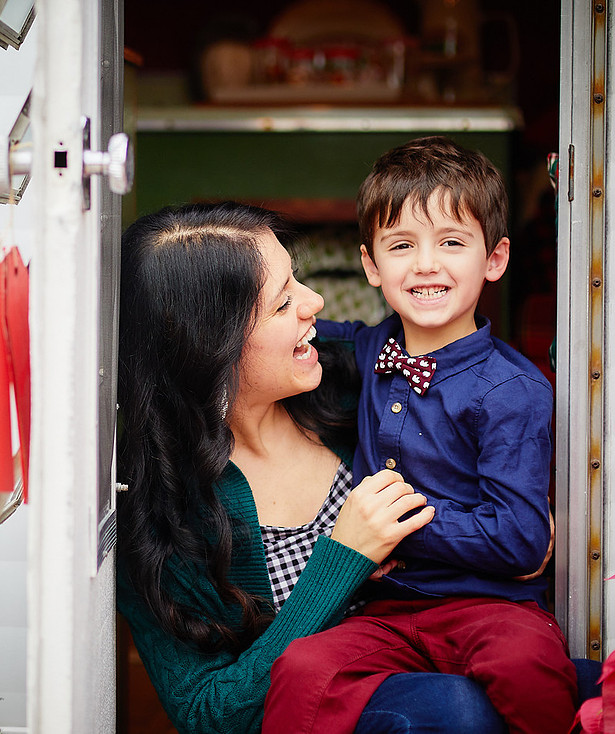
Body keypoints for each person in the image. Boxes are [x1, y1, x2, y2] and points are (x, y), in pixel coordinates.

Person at [115, 200, 511, 734]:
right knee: (452, 711)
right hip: (344, 715)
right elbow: (208, 715)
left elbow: (489, 410)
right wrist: (343, 558)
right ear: (209, 345)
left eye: (295, 280)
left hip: (450, 650)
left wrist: (519, 519)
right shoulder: (160, 510)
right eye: (282, 304)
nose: (315, 302)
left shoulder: (359, 380)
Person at [262, 136, 576, 734]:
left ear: (495, 258)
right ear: (372, 266)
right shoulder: (369, 346)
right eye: (402, 246)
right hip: (386, 610)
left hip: (489, 607)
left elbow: (520, 537)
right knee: (304, 668)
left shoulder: (514, 389)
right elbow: (296, 330)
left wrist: (396, 528)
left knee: (530, 666)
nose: (427, 264)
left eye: (452, 243)